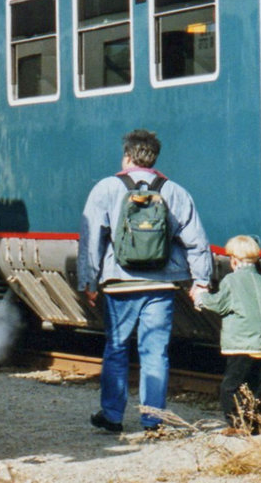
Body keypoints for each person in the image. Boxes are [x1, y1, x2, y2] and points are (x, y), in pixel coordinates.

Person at [77, 128, 212, 433]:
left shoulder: (106, 188)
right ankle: (153, 419)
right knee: (155, 352)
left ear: (127, 155)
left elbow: (91, 239)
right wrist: (200, 280)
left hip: (120, 284)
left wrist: (90, 281)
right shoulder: (174, 191)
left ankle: (112, 415)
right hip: (161, 285)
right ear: (154, 157)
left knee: (116, 348)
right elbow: (196, 240)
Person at [192, 235, 261, 432]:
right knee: (255, 386)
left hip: (242, 343)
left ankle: (236, 424)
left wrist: (201, 298)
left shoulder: (232, 280)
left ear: (233, 260)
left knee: (230, 386)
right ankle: (254, 424)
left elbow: (220, 304)